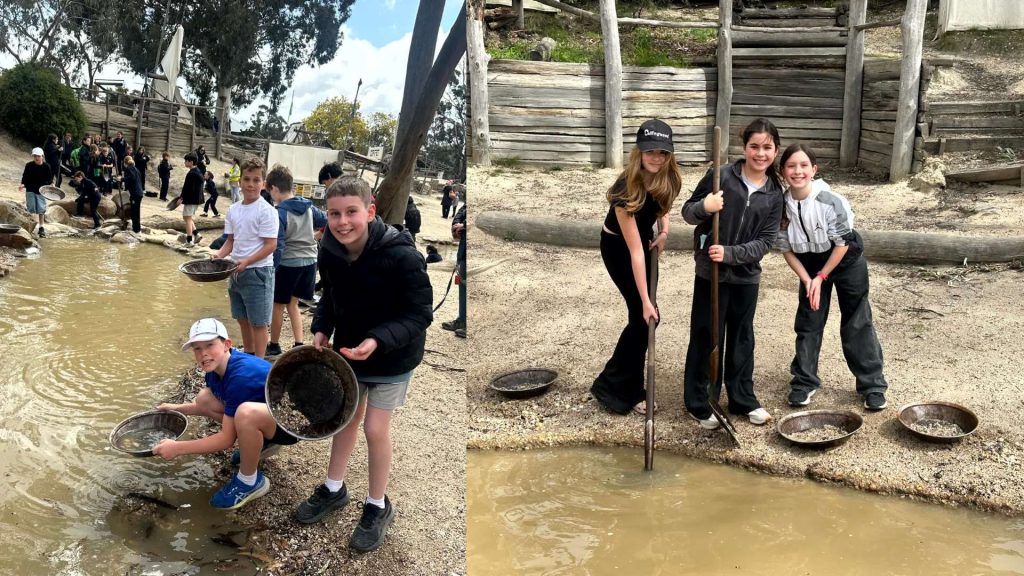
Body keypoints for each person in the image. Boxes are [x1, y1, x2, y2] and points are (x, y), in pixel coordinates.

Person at [295, 176, 432, 554]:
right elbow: (331, 295)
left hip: (394, 355)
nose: (342, 222)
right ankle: (334, 488)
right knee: (347, 419)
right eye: (335, 213)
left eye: (351, 212)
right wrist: (322, 327)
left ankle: (377, 505)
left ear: (370, 212)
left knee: (374, 427)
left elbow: (419, 314)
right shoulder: (330, 249)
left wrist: (378, 340)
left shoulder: (402, 255)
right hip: (349, 350)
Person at [681, 118, 785, 429]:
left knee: (742, 338)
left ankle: (742, 399)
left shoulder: (773, 194)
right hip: (709, 273)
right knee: (705, 335)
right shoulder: (721, 176)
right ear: (745, 147)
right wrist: (706, 207)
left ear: (776, 151)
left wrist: (731, 253)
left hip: (745, 277)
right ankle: (698, 402)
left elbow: (766, 241)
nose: (760, 153)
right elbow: (688, 212)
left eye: (767, 148)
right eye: (755, 146)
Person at [775, 143, 889, 410]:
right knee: (809, 320)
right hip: (808, 264)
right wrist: (807, 280)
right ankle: (804, 382)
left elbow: (842, 243)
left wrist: (822, 276)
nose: (797, 171)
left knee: (857, 320)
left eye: (804, 165)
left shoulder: (831, 200)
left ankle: (872, 385)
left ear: (814, 169)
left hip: (845, 260)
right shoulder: (780, 206)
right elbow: (786, 248)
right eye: (791, 166)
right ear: (782, 171)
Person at [152, 318, 298, 509]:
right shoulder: (214, 371)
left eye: (210, 345)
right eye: (197, 348)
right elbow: (204, 406)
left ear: (227, 344)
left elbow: (226, 440)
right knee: (204, 397)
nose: (203, 353)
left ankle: (249, 481)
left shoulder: (240, 376)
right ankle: (260, 442)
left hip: (290, 426)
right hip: (269, 413)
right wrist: (175, 408)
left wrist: (177, 448)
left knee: (245, 414)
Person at [590, 119, 682, 415]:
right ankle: (617, 387)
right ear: (638, 152)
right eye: (650, 151)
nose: (656, 158)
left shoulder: (669, 177)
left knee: (645, 320)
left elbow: (663, 207)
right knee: (644, 318)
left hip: (642, 240)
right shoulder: (624, 191)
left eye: (662, 153)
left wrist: (665, 232)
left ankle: (615, 383)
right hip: (619, 248)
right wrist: (645, 300)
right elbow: (635, 253)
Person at [213, 157, 279, 358]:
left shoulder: (267, 211)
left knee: (259, 323)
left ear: (264, 184)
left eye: (256, 180)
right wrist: (219, 255)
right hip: (235, 270)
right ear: (239, 181)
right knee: (242, 318)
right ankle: (249, 354)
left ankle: (259, 363)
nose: (251, 184)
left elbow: (271, 245)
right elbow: (230, 240)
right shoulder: (234, 209)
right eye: (247, 179)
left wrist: (248, 261)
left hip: (259, 272)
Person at [266, 164, 327, 357]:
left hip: (289, 264)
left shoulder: (280, 212)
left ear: (274, 188)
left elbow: (279, 245)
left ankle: (274, 345)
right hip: (309, 262)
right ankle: (299, 343)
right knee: (293, 304)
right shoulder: (308, 206)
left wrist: (272, 269)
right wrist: (315, 235)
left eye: (271, 192)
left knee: (278, 305)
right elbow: (326, 220)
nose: (272, 197)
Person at [18, 147, 54, 238]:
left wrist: (51, 184)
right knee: (31, 208)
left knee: (41, 209)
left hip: (42, 191)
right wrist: (22, 184)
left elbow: (50, 178)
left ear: (42, 156)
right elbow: (25, 176)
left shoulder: (46, 166)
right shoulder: (29, 165)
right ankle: (30, 226)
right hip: (30, 189)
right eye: (34, 156)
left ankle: (41, 227)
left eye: (38, 156)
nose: (36, 158)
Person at [180, 152, 205, 245]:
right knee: (186, 217)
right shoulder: (198, 171)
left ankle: (189, 240)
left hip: (191, 200)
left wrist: (181, 198)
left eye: (186, 161)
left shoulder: (191, 173)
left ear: (191, 162)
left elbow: (187, 188)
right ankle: (196, 234)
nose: (185, 162)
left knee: (188, 218)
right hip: (196, 200)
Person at [122, 156, 145, 233]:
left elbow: (132, 178)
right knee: (137, 211)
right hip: (139, 193)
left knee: (134, 212)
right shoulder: (136, 169)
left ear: (125, 162)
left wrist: (122, 179)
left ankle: (136, 229)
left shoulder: (129, 168)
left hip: (135, 193)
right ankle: (137, 228)